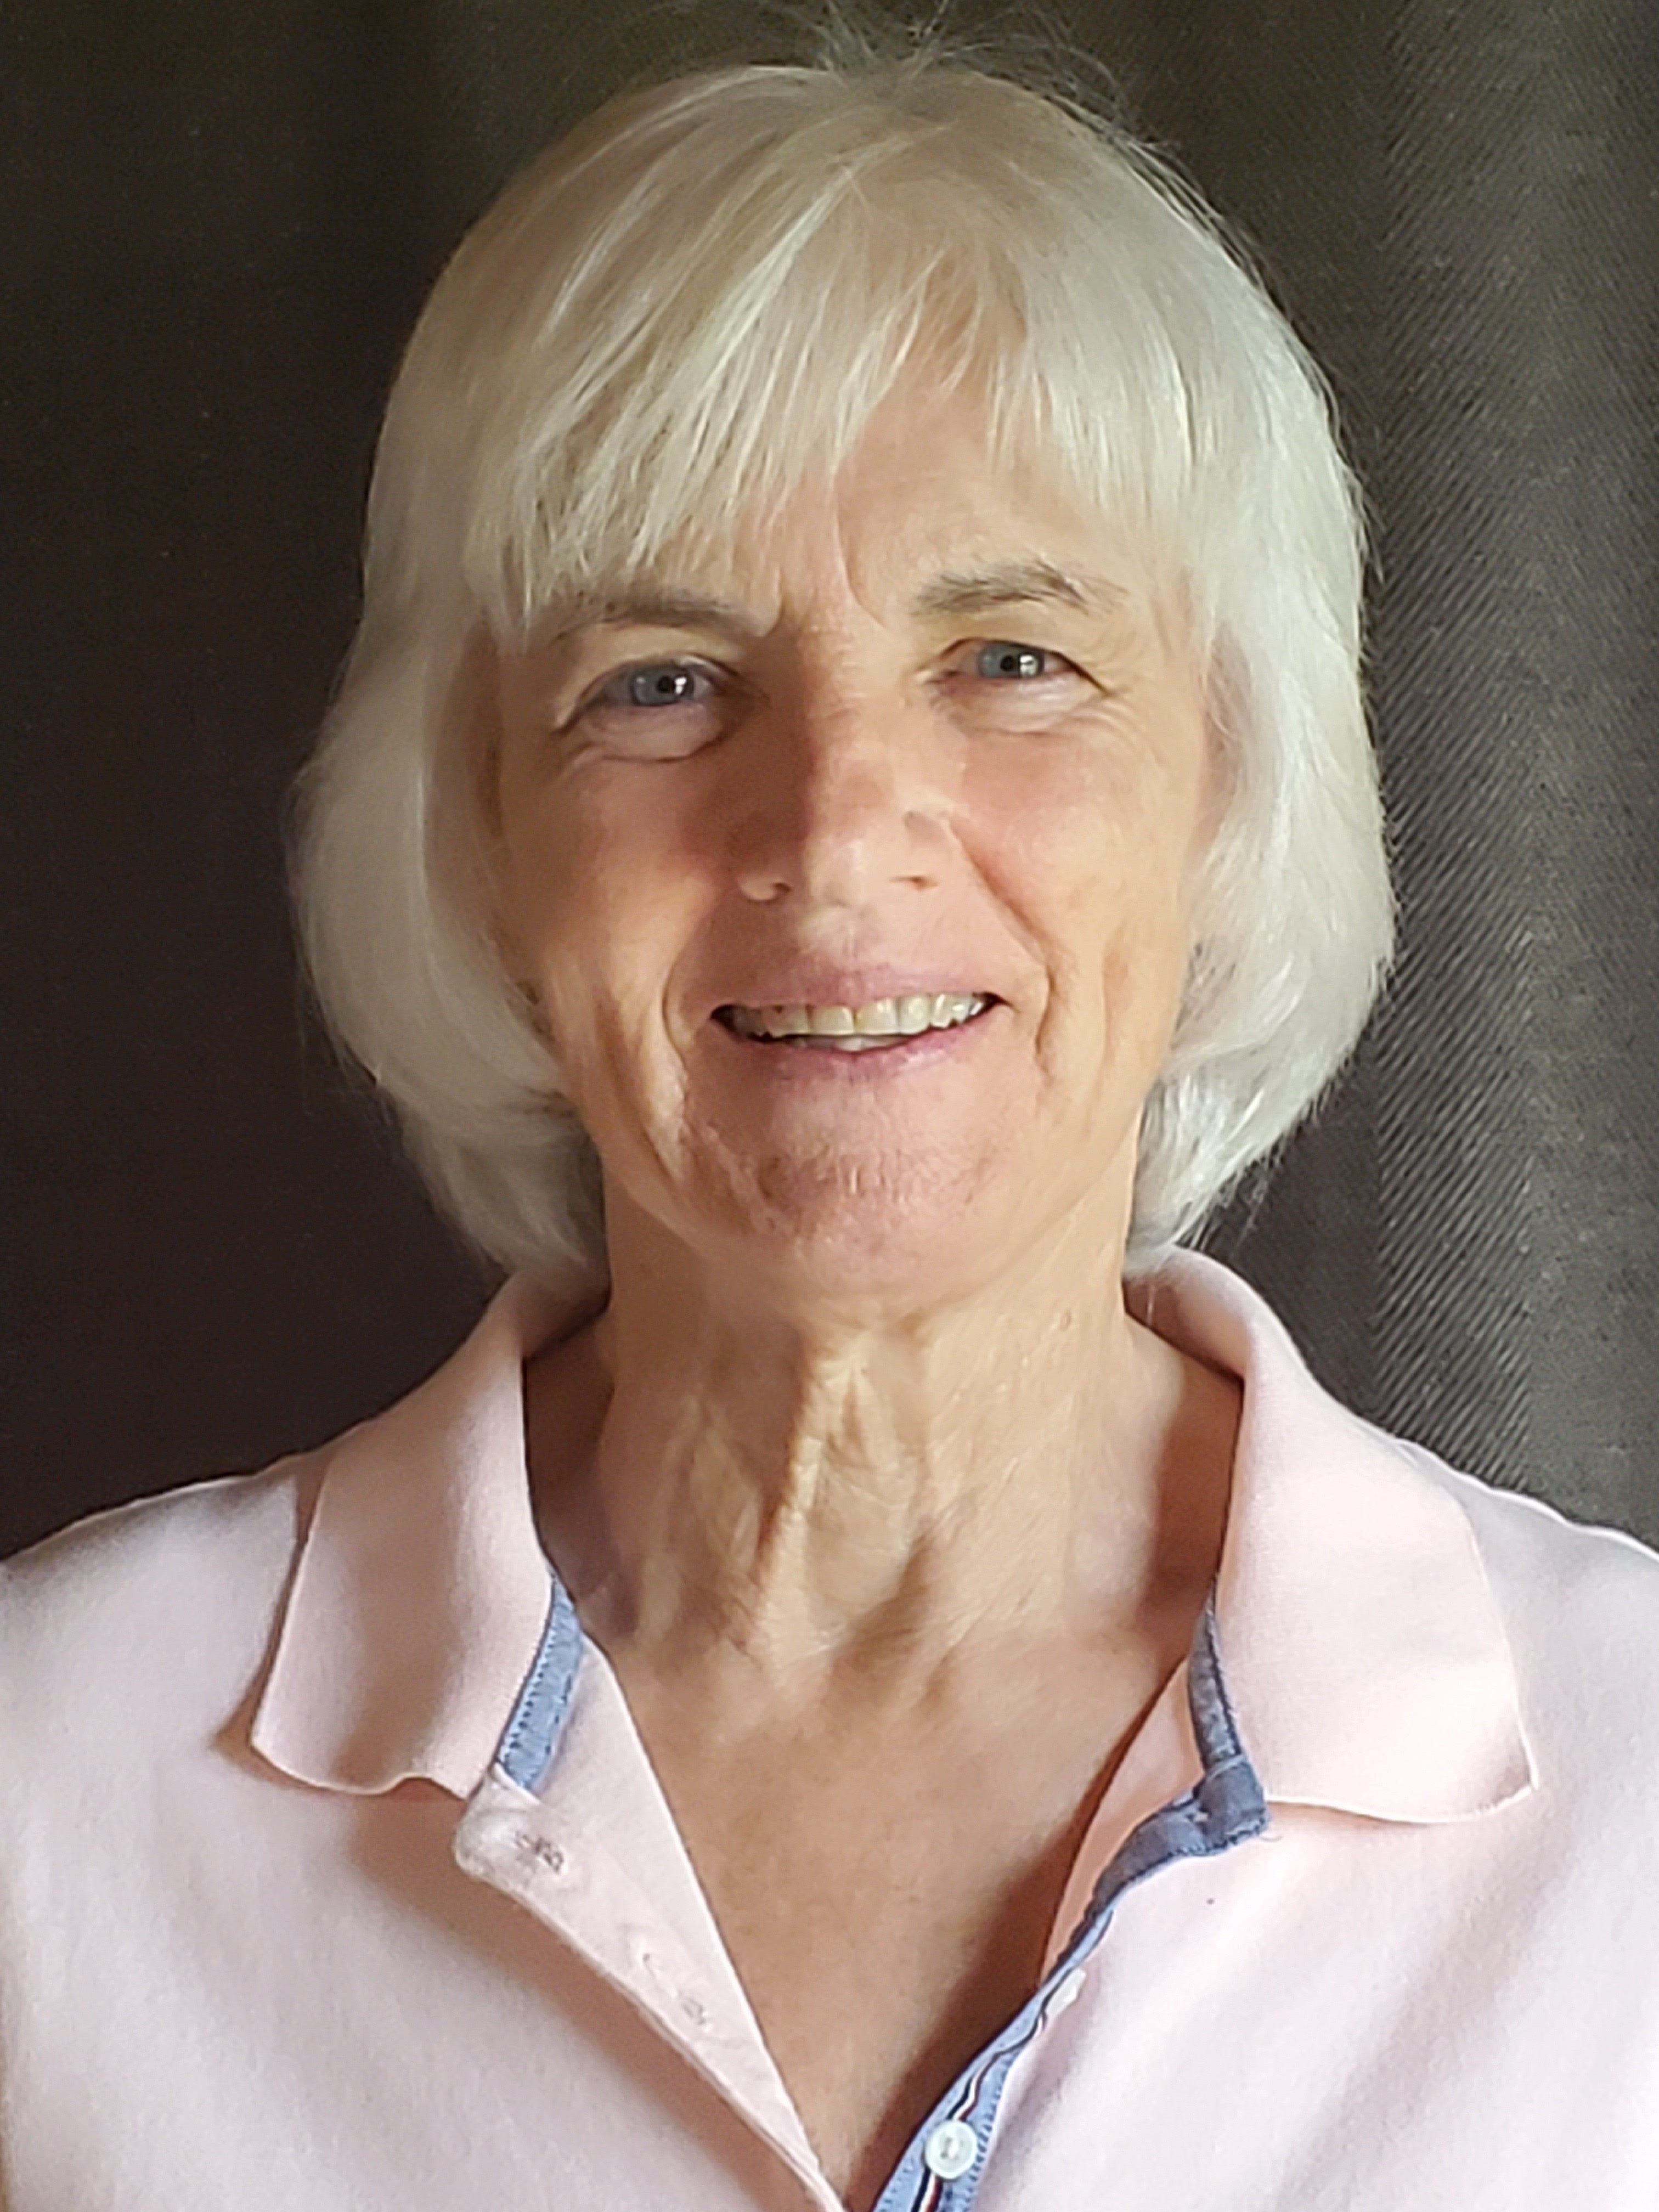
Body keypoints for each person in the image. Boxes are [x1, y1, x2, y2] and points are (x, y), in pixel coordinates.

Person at [4, 25, 1657, 2212]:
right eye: (662, 681)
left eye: (1011, 658)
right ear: (475, 841)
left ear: (1232, 788)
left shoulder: (1634, 1802)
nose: (836, 829)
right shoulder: (49, 1788)